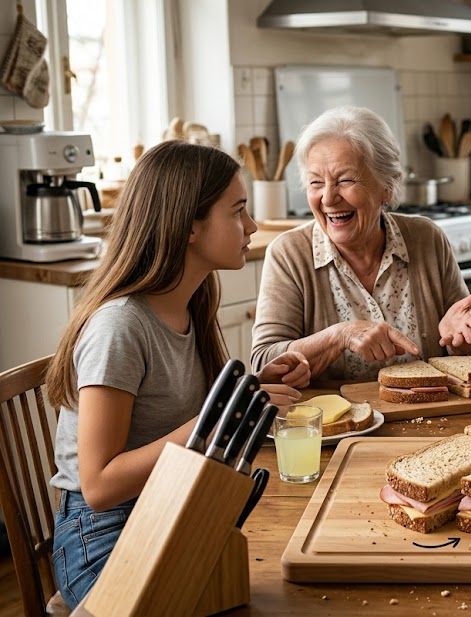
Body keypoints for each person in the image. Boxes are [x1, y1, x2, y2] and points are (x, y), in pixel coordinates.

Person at [45, 141, 310, 609]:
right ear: (189, 226)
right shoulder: (120, 327)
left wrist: (247, 390)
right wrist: (219, 417)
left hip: (171, 505)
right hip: (103, 536)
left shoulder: (193, 302)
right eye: (238, 211)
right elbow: (99, 486)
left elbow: (180, 412)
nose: (251, 226)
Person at [251, 106, 471, 380]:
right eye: (316, 183)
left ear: (386, 187)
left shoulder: (426, 238)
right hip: (333, 410)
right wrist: (339, 335)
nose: (328, 198)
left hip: (429, 406)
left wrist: (465, 340)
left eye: (345, 180)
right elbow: (263, 361)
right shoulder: (289, 254)